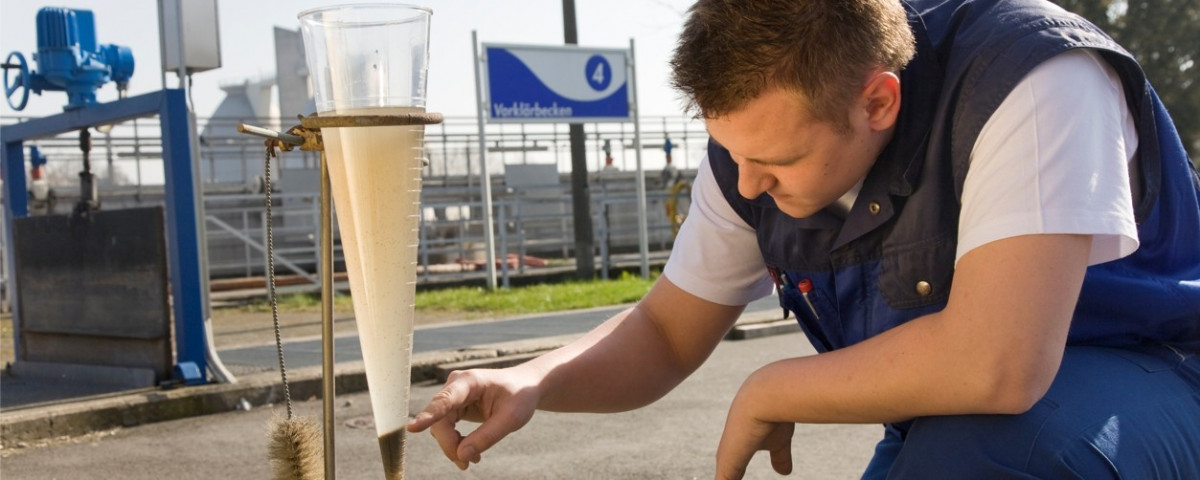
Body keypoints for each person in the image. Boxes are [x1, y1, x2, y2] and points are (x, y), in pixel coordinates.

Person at [408, 0, 1200, 477]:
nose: (749, 185)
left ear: (879, 102)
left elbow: (1000, 364)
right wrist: (534, 377)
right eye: (732, 153)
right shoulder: (753, 152)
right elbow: (666, 331)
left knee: (990, 459)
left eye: (776, 161)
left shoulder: (1030, 75)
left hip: (1150, 378)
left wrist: (772, 386)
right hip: (956, 422)